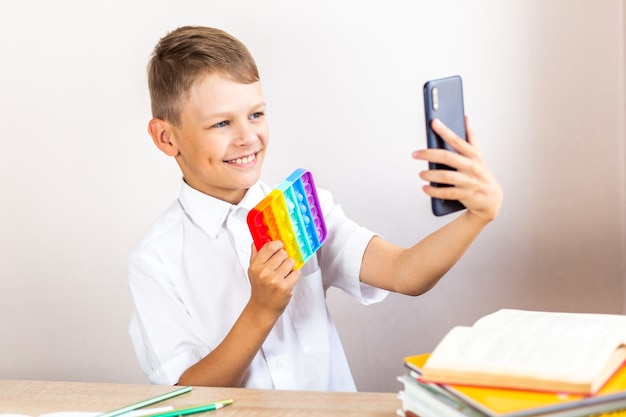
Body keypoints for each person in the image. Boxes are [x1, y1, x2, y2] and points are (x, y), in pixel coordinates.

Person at [128, 25, 503, 391]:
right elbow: (183, 394)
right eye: (222, 123)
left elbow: (406, 273)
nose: (247, 137)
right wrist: (262, 309)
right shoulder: (155, 260)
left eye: (256, 114)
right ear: (166, 137)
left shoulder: (303, 208)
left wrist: (478, 216)